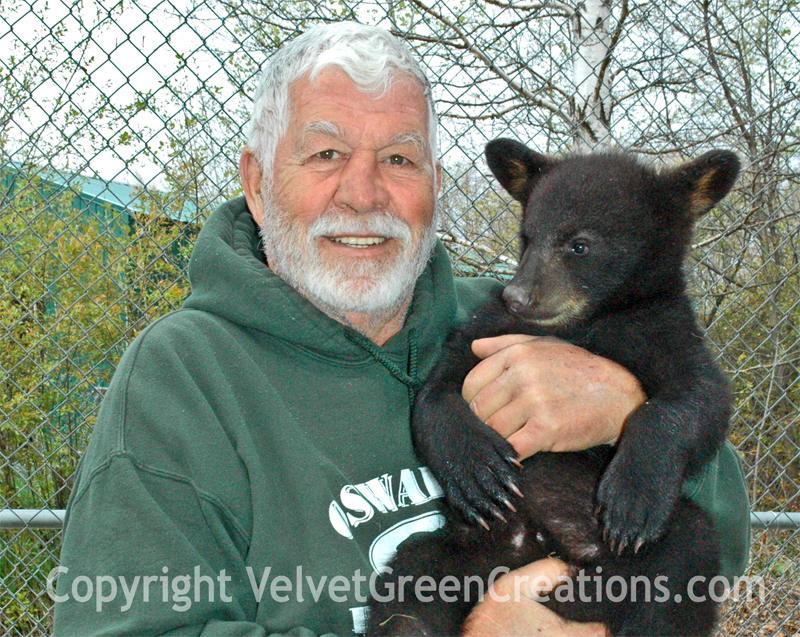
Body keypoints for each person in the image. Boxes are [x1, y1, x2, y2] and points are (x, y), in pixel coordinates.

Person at [53, 21, 750, 637]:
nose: (363, 192)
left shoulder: (517, 319)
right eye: (325, 154)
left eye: (399, 159)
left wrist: (626, 412)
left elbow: (718, 535)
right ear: (259, 184)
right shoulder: (182, 377)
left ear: (435, 187)